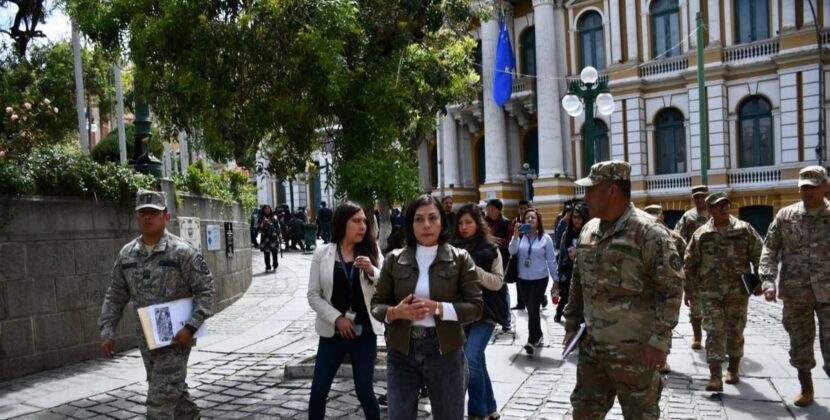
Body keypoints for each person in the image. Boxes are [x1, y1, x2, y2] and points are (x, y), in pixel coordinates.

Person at [562, 161, 684, 419]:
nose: (586, 198)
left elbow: (671, 289)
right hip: (593, 350)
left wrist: (660, 341)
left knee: (641, 415)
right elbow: (578, 280)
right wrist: (571, 322)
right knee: (583, 412)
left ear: (612, 190)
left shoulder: (650, 233)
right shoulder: (589, 230)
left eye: (591, 190)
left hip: (636, 354)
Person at [98, 189, 214, 419]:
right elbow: (115, 294)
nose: (148, 217)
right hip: (147, 340)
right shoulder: (127, 254)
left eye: (154, 212)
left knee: (159, 403)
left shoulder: (182, 253)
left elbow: (206, 290)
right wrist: (107, 330)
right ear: (136, 217)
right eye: (143, 213)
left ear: (166, 217)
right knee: (176, 397)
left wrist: (191, 327)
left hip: (176, 339)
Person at [371, 194, 483, 420]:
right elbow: (377, 304)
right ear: (410, 224)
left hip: (446, 351)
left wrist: (439, 308)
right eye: (419, 219)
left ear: (442, 221)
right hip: (402, 350)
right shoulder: (394, 259)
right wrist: (395, 312)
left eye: (432, 218)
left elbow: (476, 307)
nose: (426, 225)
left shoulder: (460, 259)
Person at [760, 165, 830, 407]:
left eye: (812, 187)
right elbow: (769, 248)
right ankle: (806, 387)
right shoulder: (785, 216)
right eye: (804, 188)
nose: (808, 192)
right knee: (799, 342)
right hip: (795, 292)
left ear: (825, 186)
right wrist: (768, 280)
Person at [307, 201, 384, 420]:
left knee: (365, 391)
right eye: (356, 221)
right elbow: (313, 295)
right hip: (333, 333)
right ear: (343, 223)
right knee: (319, 391)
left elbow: (388, 288)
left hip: (364, 334)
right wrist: (338, 319)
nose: (362, 226)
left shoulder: (372, 252)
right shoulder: (323, 253)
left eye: (364, 222)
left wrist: (372, 270)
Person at [684, 192, 763, 392]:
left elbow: (760, 254)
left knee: (735, 332)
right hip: (710, 294)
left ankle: (734, 369)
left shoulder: (744, 230)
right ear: (710, 210)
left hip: (737, 292)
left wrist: (760, 281)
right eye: (719, 206)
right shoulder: (701, 234)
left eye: (726, 205)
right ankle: (715, 376)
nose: (724, 209)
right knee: (713, 332)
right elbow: (690, 263)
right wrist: (689, 290)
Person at [452, 204, 505, 420]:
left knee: (470, 358)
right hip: (464, 312)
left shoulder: (491, 249)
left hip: (487, 312)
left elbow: (498, 282)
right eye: (461, 223)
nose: (463, 227)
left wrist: (475, 271)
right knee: (477, 361)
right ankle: (491, 408)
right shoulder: (453, 249)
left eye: (468, 222)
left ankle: (476, 412)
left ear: (478, 224)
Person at [643, 204, 687, 375]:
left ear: (662, 216)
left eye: (657, 216)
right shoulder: (641, 236)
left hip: (669, 288)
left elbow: (686, 258)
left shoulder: (675, 238)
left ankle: (663, 358)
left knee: (664, 322)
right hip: (648, 288)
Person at [509, 207, 559, 356]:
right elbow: (512, 251)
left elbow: (551, 260)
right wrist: (515, 236)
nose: (529, 220)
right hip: (522, 279)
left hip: (539, 279)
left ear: (538, 222)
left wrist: (555, 280)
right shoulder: (520, 237)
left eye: (533, 218)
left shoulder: (545, 239)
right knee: (530, 309)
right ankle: (538, 334)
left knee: (533, 308)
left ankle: (531, 340)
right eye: (526, 218)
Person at [674, 185, 710, 350]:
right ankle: (697, 336)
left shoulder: (715, 213)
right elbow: (678, 237)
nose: (699, 200)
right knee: (695, 302)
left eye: (702, 196)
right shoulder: (688, 217)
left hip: (714, 266)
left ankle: (714, 336)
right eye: (696, 197)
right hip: (694, 265)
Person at [555, 202, 589, 324]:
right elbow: (561, 254)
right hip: (568, 270)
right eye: (574, 217)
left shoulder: (589, 234)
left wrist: (578, 256)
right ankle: (559, 312)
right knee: (566, 296)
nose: (576, 220)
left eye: (579, 217)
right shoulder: (567, 233)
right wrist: (557, 275)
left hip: (584, 271)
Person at [485, 198, 513, 332]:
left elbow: (509, 241)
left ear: (498, 210)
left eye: (491, 208)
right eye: (487, 208)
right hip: (485, 259)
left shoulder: (507, 223)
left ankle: (506, 319)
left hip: (502, 259)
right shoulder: (482, 222)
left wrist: (495, 240)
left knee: (502, 288)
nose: (488, 211)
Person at [510, 199, 530, 310]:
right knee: (519, 279)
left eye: (524, 208)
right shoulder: (515, 222)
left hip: (530, 254)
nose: (522, 210)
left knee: (532, 278)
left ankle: (542, 297)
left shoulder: (532, 220)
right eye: (521, 208)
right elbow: (512, 237)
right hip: (518, 254)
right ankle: (520, 303)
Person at [259, 204, 281, 272]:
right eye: (265, 209)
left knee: (274, 253)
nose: (267, 210)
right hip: (265, 238)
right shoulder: (261, 218)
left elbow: (278, 227)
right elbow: (259, 227)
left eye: (268, 209)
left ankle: (275, 266)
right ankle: (268, 267)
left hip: (273, 238)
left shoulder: (274, 217)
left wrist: (279, 235)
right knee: (266, 253)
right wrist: (263, 224)